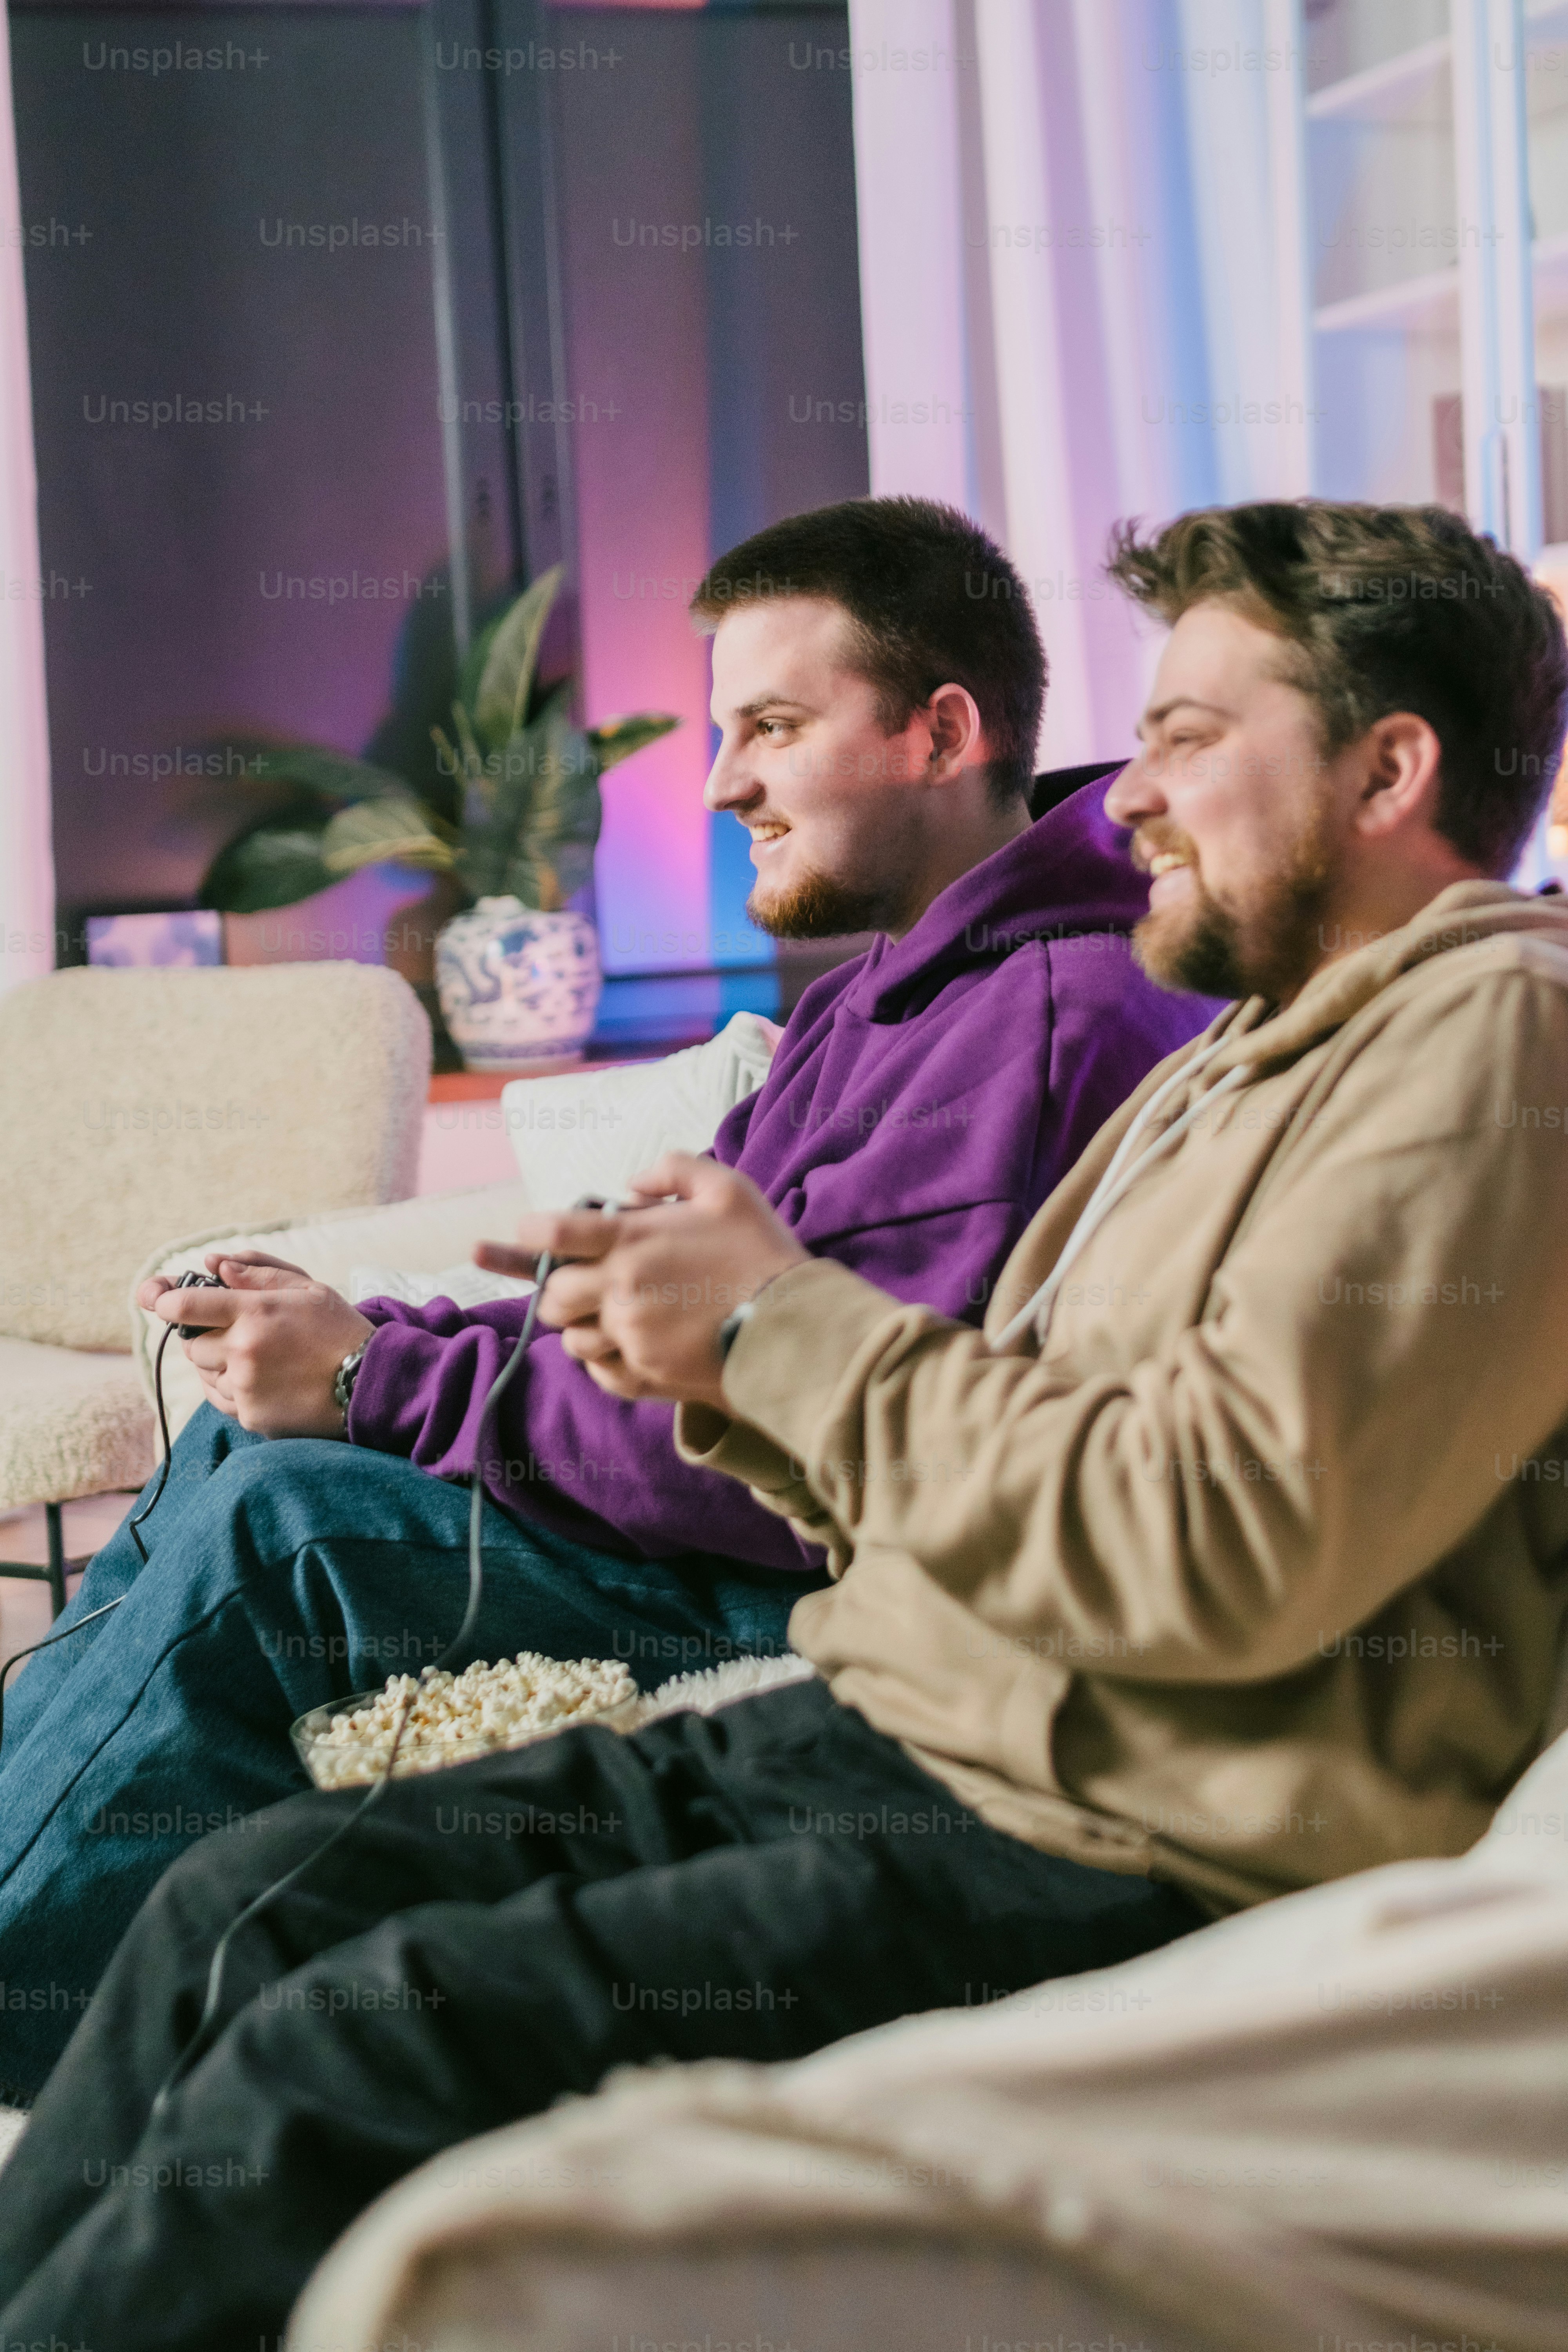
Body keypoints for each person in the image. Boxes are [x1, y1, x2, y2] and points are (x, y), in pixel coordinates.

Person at [7, 497, 1567, 2351]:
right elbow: (966, 1417)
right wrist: (705, 1344)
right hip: (901, 1710)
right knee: (237, 1906)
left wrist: (755, 1327)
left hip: (1108, 1824)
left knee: (342, 2049)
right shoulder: (1243, 1055)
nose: (1128, 794)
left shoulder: (1484, 1041)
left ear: (1388, 768)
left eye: (1185, 737)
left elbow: (1213, 1543)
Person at [0, 495, 1209, 2099]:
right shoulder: (888, 990)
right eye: (724, 731)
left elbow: (779, 1448)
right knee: (231, 1448)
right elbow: (636, 1306)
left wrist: (374, 1389)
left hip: (774, 1571)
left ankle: (34, 2029)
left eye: (772, 726)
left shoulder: (1039, 1017)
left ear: (940, 732)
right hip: (683, 1500)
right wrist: (373, 1339)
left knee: (275, 1535)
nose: (719, 785)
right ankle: (79, 2000)